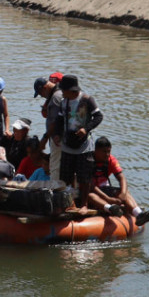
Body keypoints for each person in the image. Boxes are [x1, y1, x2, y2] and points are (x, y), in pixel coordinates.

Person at [52, 74, 103, 209]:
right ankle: (69, 202)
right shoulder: (64, 102)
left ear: (72, 90)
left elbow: (98, 116)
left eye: (64, 90)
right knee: (66, 177)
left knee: (84, 178)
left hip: (84, 146)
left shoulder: (87, 100)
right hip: (67, 144)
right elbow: (59, 119)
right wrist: (57, 134)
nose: (62, 92)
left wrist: (86, 129)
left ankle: (85, 204)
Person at [86, 137, 149, 226]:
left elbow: (122, 178)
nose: (107, 154)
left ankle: (139, 214)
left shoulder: (111, 160)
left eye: (109, 151)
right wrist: (108, 199)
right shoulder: (88, 161)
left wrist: (122, 194)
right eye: (104, 152)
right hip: (92, 190)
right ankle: (110, 208)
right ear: (96, 150)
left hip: (106, 189)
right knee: (91, 196)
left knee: (125, 192)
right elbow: (91, 185)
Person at [34, 72, 64, 180]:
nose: (42, 96)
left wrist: (45, 138)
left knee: (55, 166)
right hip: (60, 137)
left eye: (40, 93)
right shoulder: (58, 93)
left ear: (45, 87)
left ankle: (55, 190)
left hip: (57, 137)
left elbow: (55, 121)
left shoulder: (55, 97)